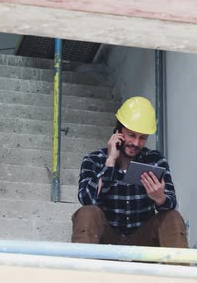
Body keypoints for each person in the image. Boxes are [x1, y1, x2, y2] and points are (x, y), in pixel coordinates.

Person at [71, 96, 188, 250]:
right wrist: (110, 162)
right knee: (87, 213)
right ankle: (80, 271)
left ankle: (179, 272)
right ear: (118, 131)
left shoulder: (155, 160)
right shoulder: (94, 160)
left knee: (172, 216)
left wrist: (160, 198)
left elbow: (171, 201)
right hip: (106, 240)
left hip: (143, 240)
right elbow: (85, 199)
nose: (136, 143)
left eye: (142, 138)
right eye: (131, 135)